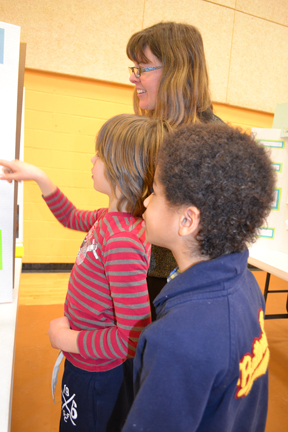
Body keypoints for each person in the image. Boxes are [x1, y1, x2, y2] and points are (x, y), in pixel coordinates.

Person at [0, 114, 171, 432]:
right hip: (82, 360)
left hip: (96, 373)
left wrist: (67, 338)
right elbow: (71, 216)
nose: (92, 159)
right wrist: (40, 177)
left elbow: (131, 339)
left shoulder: (122, 240)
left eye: (100, 154)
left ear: (122, 168)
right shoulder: (109, 218)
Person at [122, 122, 275, 432]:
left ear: (187, 220)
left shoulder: (176, 340)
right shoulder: (245, 285)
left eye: (156, 191)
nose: (147, 201)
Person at [127, 21, 224, 319]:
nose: (133, 77)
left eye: (143, 68)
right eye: (133, 67)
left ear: (175, 72)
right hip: (137, 275)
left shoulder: (213, 141)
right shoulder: (149, 131)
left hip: (175, 288)